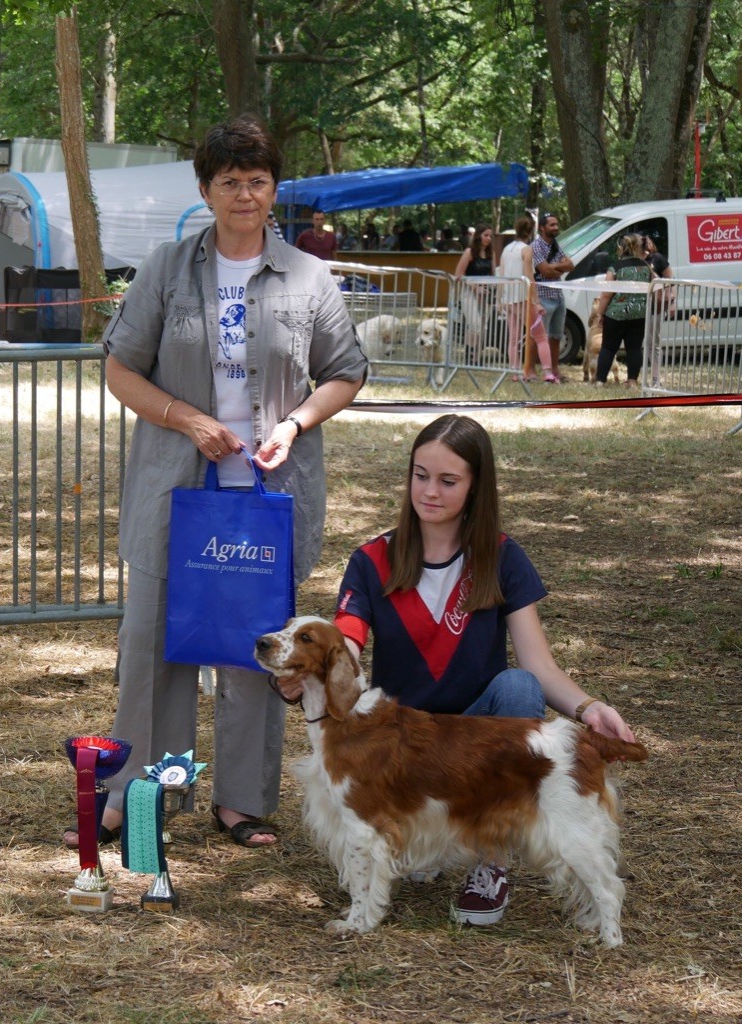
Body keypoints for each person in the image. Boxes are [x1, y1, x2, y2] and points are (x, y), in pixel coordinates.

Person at [63, 115, 367, 851]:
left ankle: (242, 802)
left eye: (256, 181)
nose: (244, 195)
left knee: (254, 649)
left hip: (265, 498)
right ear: (205, 190)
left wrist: (293, 425)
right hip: (174, 493)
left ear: (273, 190)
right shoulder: (166, 268)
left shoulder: (308, 274)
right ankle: (135, 794)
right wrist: (186, 420)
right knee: (153, 643)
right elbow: (120, 368)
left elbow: (346, 371)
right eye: (229, 181)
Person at [278, 414, 636, 926]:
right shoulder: (374, 559)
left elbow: (539, 663)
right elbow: (347, 640)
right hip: (406, 738)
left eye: (448, 481)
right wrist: (304, 670)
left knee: (518, 685)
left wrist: (590, 708)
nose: (430, 491)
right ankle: (421, 832)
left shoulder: (501, 557)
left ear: (475, 487)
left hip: (476, 729)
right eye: (420, 475)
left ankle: (488, 862)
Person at [499, 215, 558, 382]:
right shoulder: (527, 249)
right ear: (531, 231)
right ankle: (548, 372)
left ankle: (515, 372)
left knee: (513, 338)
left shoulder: (506, 249)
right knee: (541, 337)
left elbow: (502, 275)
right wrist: (536, 302)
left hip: (508, 298)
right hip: (523, 299)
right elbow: (529, 276)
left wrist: (500, 300)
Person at [594, 233, 655, 387]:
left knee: (608, 347)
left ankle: (600, 381)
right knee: (634, 348)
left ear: (622, 248)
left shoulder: (615, 267)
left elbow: (607, 294)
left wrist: (600, 313)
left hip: (616, 314)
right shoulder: (646, 267)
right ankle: (633, 381)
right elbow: (655, 283)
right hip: (639, 313)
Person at [530, 213, 574, 381]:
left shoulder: (556, 245)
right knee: (538, 336)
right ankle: (532, 370)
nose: (556, 227)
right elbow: (545, 271)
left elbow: (571, 265)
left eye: (556, 224)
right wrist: (557, 268)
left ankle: (555, 370)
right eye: (552, 225)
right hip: (542, 296)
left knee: (556, 335)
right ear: (542, 227)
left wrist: (553, 266)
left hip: (558, 295)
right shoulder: (536, 246)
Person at [454, 223, 496, 365]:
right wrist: (475, 288)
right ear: (478, 236)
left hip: (486, 294)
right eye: (486, 235)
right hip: (469, 292)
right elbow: (458, 275)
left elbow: (493, 275)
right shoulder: (469, 252)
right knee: (475, 324)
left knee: (483, 327)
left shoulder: (491, 254)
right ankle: (469, 355)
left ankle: (476, 357)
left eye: (491, 236)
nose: (489, 238)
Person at [643, 234, 674, 386]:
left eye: (647, 241)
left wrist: (672, 302)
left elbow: (670, 280)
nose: (646, 244)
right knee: (646, 343)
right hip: (639, 308)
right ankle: (643, 378)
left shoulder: (658, 259)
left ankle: (655, 378)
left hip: (656, 307)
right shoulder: (633, 260)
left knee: (653, 342)